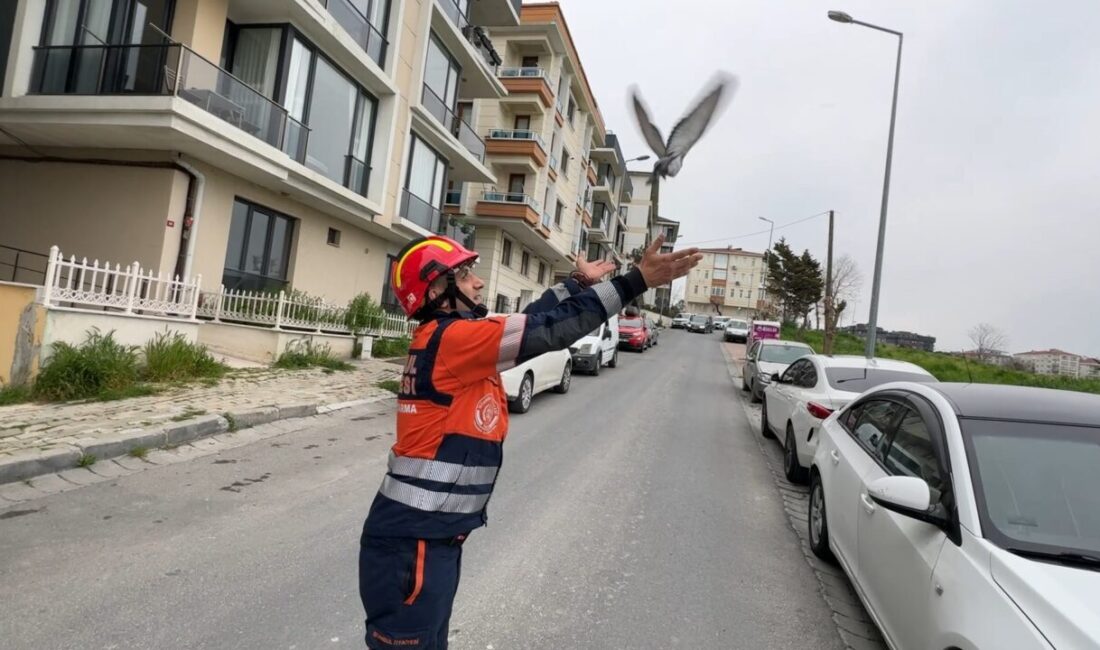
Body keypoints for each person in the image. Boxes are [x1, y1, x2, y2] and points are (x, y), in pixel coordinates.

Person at [358, 233, 701, 649]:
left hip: (427, 542)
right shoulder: (452, 340)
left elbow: (528, 321)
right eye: (465, 275)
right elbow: (547, 330)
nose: (478, 282)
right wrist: (635, 281)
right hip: (413, 548)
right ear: (436, 290)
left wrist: (575, 283)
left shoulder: (455, 339)